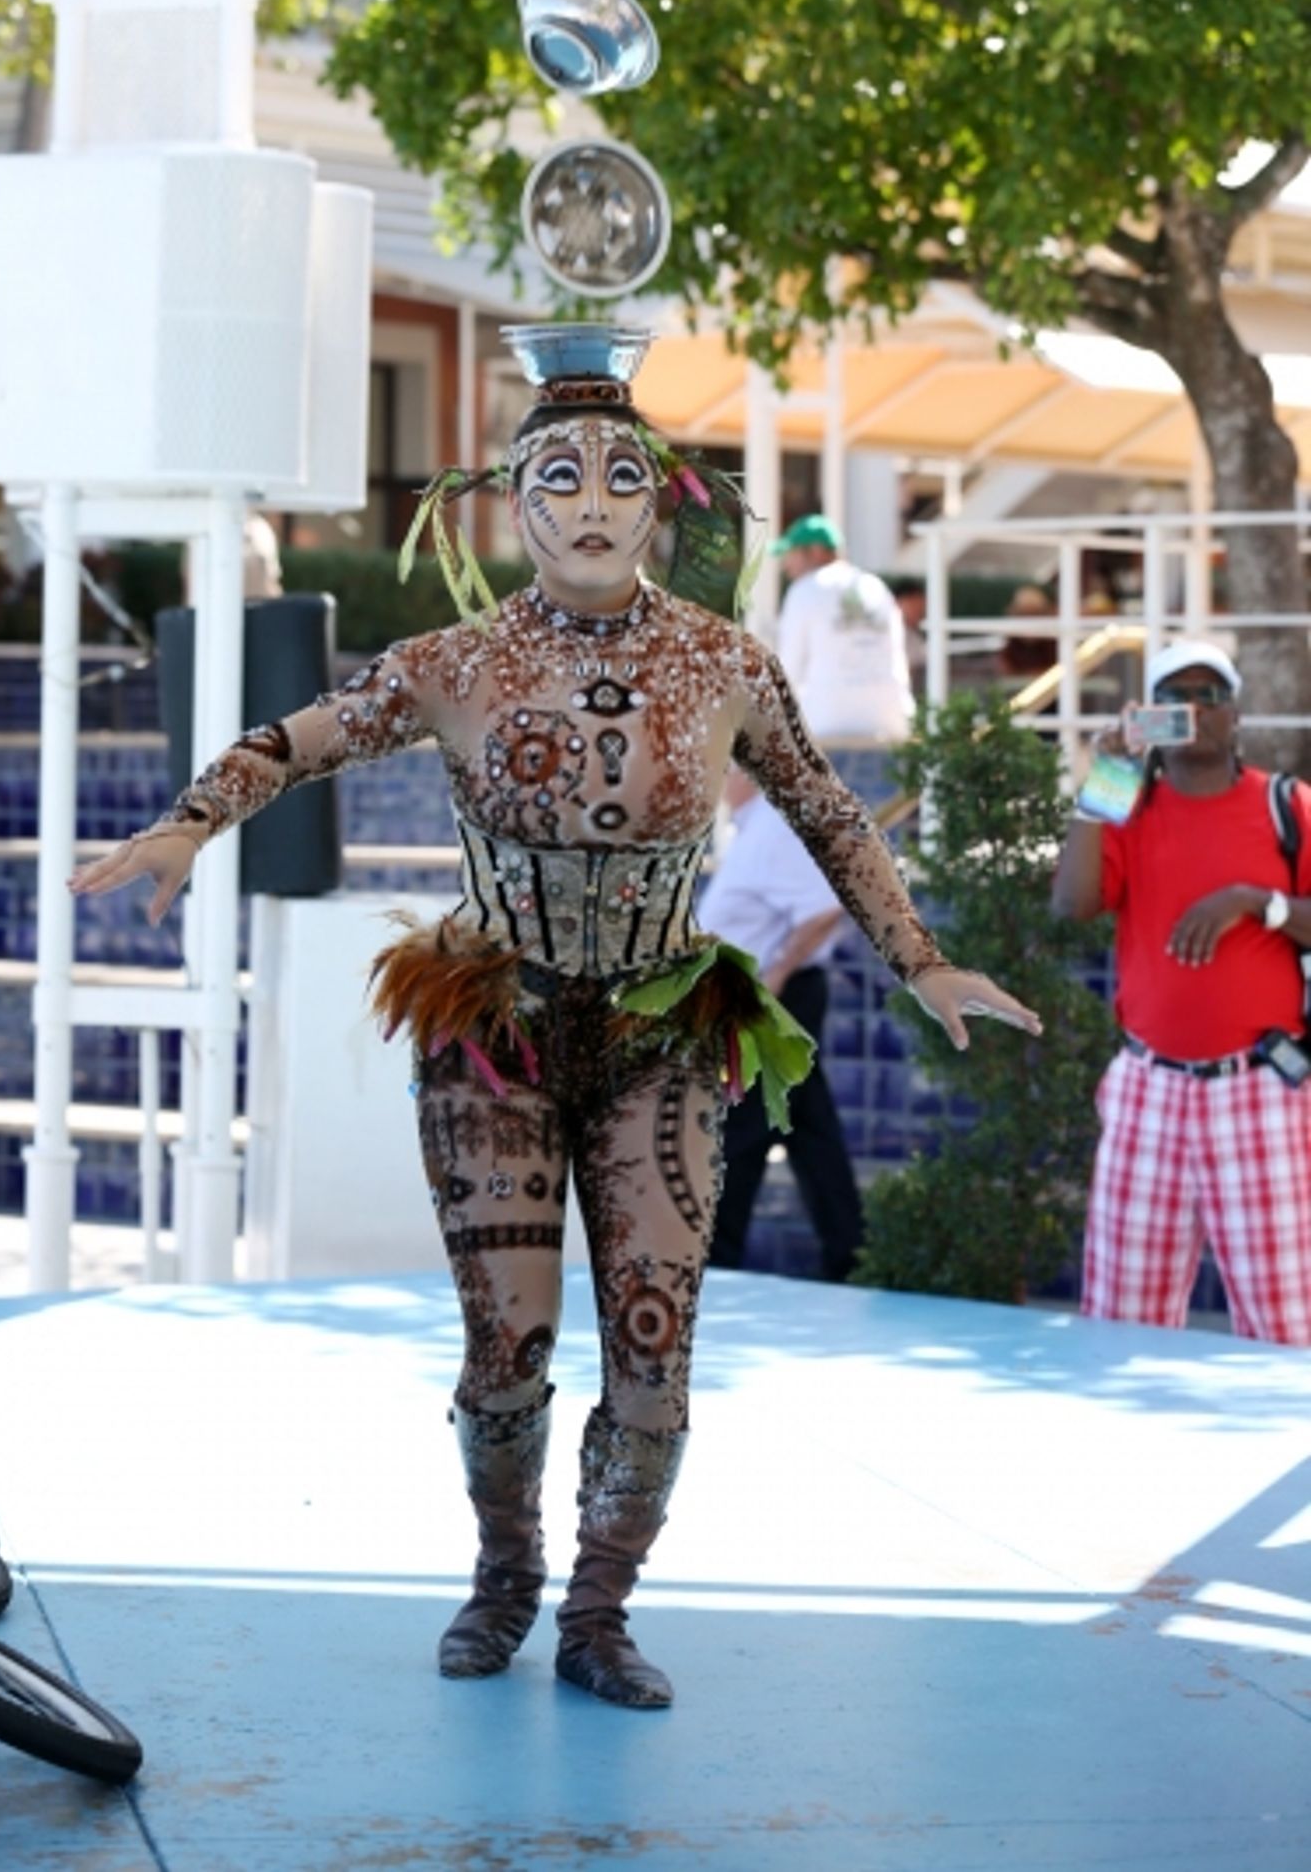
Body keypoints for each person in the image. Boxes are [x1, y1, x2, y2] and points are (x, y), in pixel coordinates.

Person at [72, 326, 1041, 1713]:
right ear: (514, 502)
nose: (592, 505)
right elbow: (298, 739)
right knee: (506, 1347)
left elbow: (829, 811)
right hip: (499, 1033)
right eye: (561, 480)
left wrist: (922, 960)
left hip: (663, 1036)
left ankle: (599, 1610)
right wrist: (183, 829)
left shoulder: (726, 666)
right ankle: (506, 1573)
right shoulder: (455, 662)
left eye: (620, 478)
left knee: (656, 1341)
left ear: (662, 499)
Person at [1051, 639, 1311, 1344]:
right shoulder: (1127, 807)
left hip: (1257, 1091)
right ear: (1152, 716)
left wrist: (1257, 901)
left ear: (1236, 715)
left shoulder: (1289, 807)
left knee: (1286, 1331)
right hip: (1148, 1093)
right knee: (1120, 1326)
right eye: (1176, 697)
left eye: (1210, 695)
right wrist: (1104, 776)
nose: (1194, 709)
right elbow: (1071, 904)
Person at [701, 766, 861, 1282]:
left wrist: (774, 975)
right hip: (765, 996)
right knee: (809, 1134)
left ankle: (717, 1266)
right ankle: (851, 1256)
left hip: (772, 1000)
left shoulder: (773, 827)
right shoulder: (755, 827)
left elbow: (822, 910)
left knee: (741, 1137)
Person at [772, 514, 914, 744]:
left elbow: (786, 673)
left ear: (816, 551)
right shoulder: (876, 587)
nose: (786, 565)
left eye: (791, 554)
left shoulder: (804, 590)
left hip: (828, 731)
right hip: (889, 729)